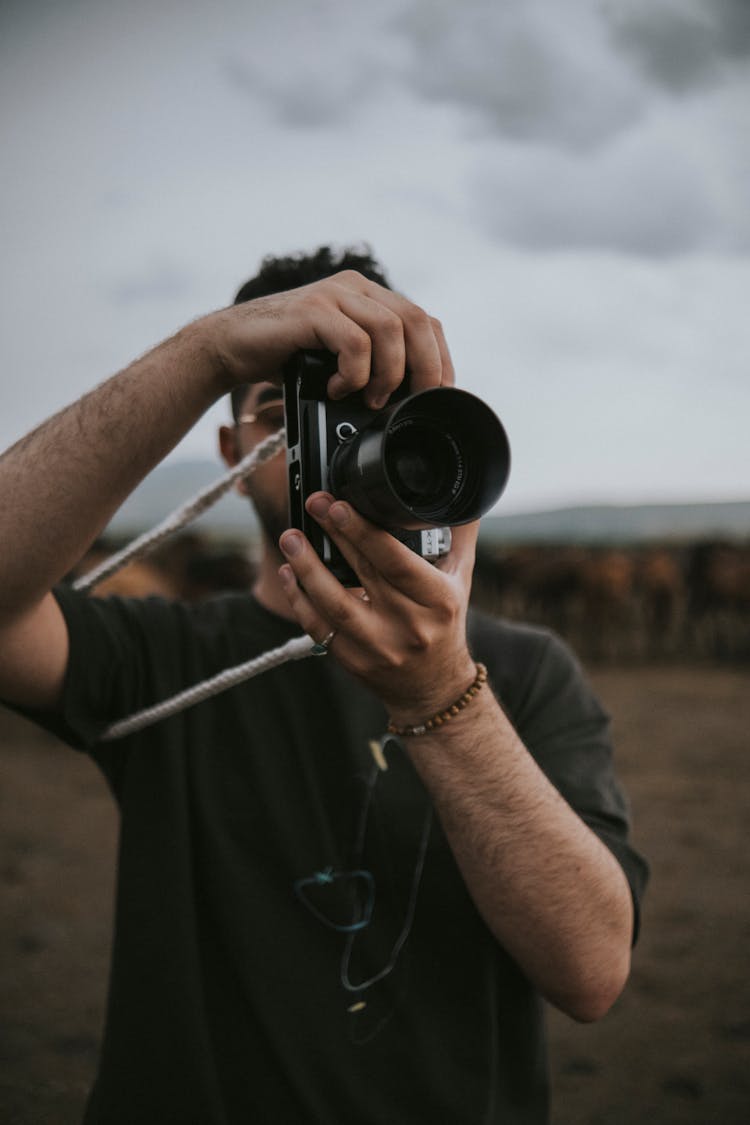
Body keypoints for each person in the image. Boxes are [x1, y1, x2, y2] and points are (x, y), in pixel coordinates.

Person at [0, 246, 648, 1124]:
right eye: (294, 409)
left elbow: (593, 971)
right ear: (234, 449)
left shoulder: (528, 672)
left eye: (382, 408)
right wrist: (206, 352)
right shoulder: (163, 651)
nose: (346, 438)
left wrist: (442, 695)